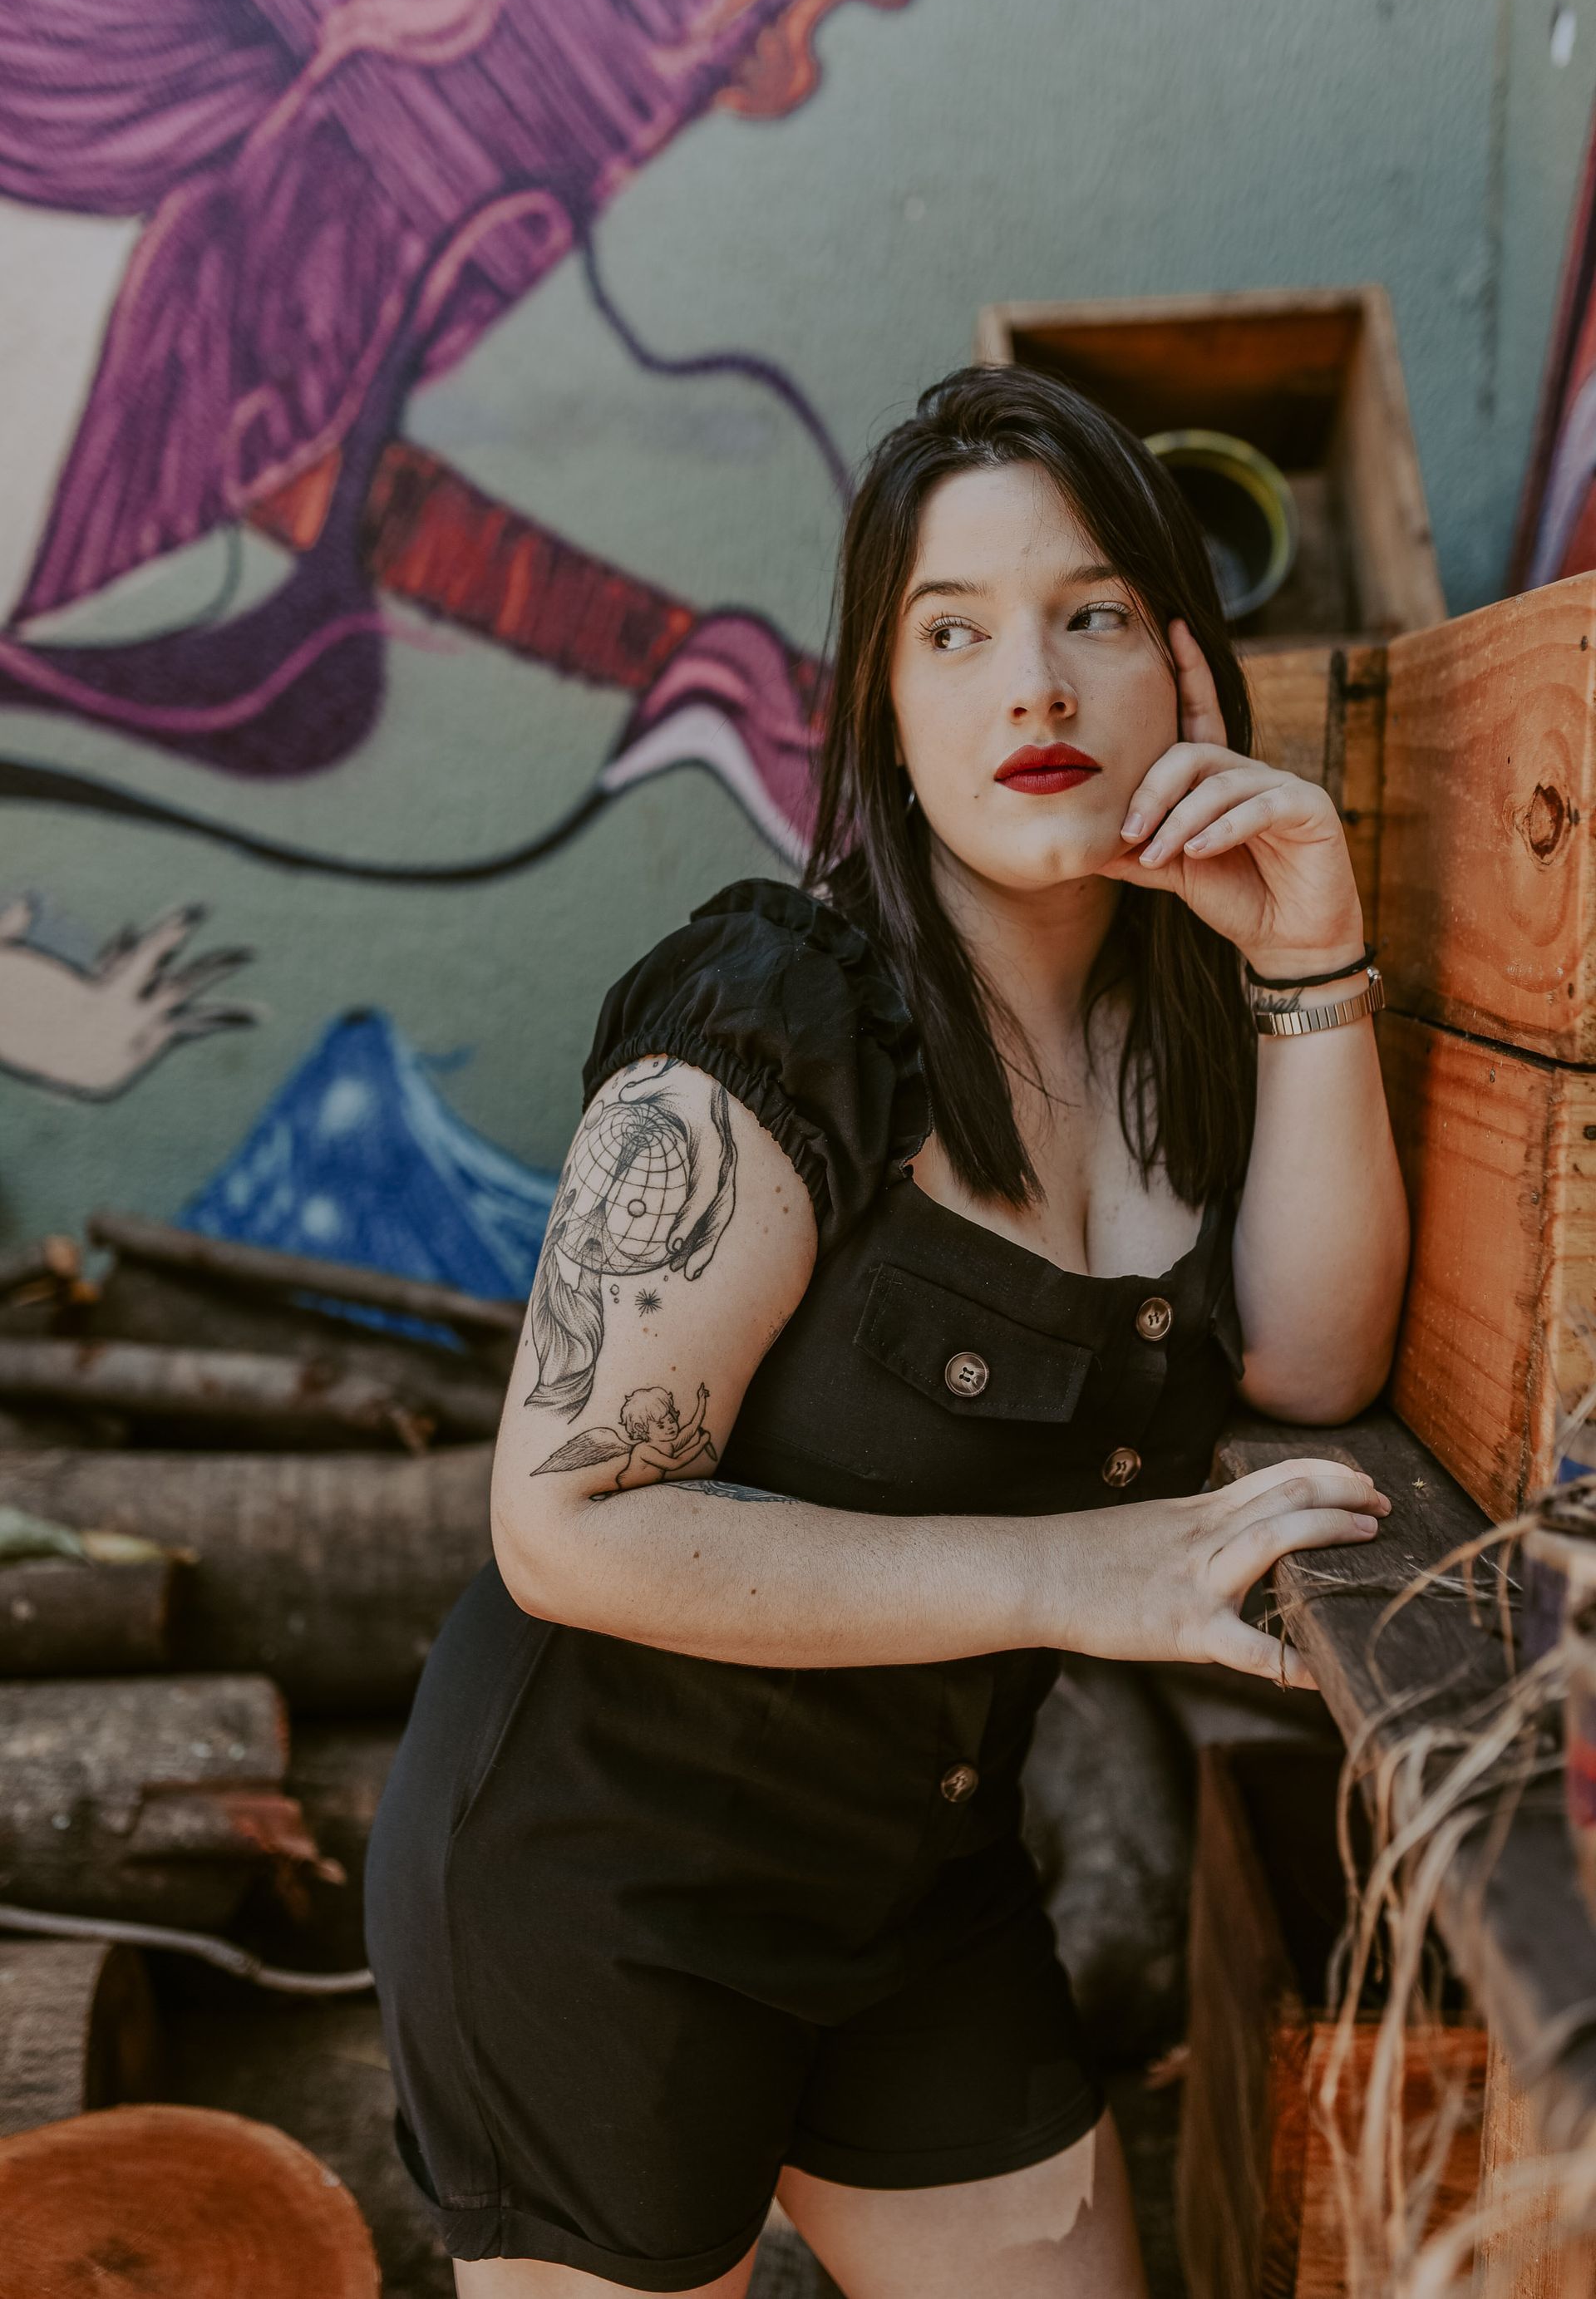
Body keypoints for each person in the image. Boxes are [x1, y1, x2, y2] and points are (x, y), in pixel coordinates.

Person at [366, 365, 1409, 2297]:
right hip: (601, 1892)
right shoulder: (778, 1009)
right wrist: (1083, 1570)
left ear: (1187, 665)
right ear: (885, 705)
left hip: (920, 1890)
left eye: (1094, 617)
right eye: (957, 632)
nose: (1035, 689)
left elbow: (1310, 1360)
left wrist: (1310, 950)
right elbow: (565, 1521)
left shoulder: (1191, 1026)